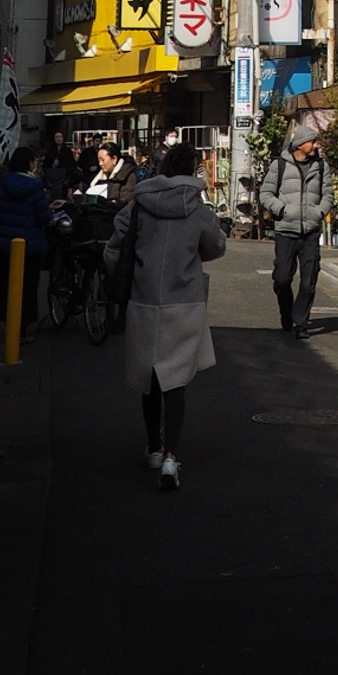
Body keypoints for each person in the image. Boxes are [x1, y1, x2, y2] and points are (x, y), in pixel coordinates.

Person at [106, 139, 225, 490]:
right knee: (176, 380)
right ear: (191, 172)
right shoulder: (197, 208)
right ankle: (172, 456)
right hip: (184, 302)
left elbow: (115, 249)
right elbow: (216, 246)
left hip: (144, 301)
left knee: (150, 380)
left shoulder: (140, 204)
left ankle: (154, 448)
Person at [258, 128, 329, 339]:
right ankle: (287, 313)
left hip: (311, 232)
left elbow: (328, 194)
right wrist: (282, 210)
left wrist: (319, 212)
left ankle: (300, 322)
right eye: (312, 142)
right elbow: (265, 194)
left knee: (309, 281)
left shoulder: (322, 166)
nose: (316, 146)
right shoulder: (279, 165)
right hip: (286, 231)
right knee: (282, 279)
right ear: (300, 144)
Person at [0, 143, 55, 327]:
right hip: (29, 245)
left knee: (4, 285)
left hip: (4, 244)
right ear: (29, 163)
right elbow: (44, 217)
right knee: (27, 288)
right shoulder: (34, 187)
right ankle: (21, 329)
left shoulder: (2, 183)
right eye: (35, 160)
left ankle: (5, 323)